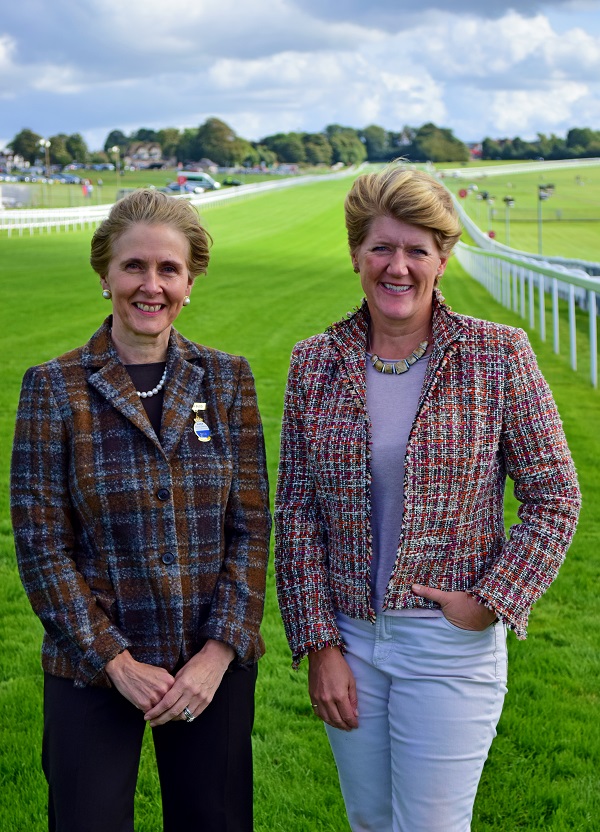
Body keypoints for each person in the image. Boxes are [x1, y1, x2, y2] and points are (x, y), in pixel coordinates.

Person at [274, 165, 581, 832]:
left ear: (443, 257)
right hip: (350, 642)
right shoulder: (314, 362)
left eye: (418, 250)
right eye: (382, 247)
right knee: (371, 822)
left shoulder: (496, 355)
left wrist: (492, 602)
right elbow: (297, 514)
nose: (398, 267)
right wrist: (319, 644)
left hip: (447, 645)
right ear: (357, 253)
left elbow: (555, 496)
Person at [11, 189, 271, 832]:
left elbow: (252, 528)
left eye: (168, 269)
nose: (149, 285)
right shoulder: (52, 387)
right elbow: (41, 544)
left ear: (190, 281)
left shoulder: (227, 379)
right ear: (105, 274)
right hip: (93, 667)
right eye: (134, 267)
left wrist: (216, 655)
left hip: (208, 669)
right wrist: (115, 662)